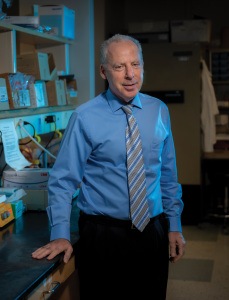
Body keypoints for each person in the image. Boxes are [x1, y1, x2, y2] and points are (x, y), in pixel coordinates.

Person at [32, 34, 185, 300]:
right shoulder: (84, 117)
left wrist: (174, 225)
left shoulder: (159, 110)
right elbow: (63, 180)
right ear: (104, 71)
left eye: (135, 64)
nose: (130, 74)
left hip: (153, 231)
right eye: (119, 66)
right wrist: (60, 234)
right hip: (103, 236)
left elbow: (167, 175)